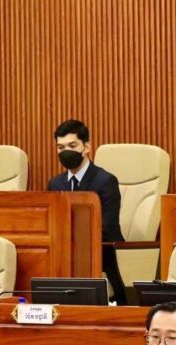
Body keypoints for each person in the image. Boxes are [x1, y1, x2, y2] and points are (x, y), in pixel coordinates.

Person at [47, 119, 127, 304]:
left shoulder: (105, 181)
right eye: (60, 147)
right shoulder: (55, 184)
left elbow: (107, 227)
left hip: (103, 256)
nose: (66, 151)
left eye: (72, 145)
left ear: (87, 147)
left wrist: (71, 242)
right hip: (64, 258)